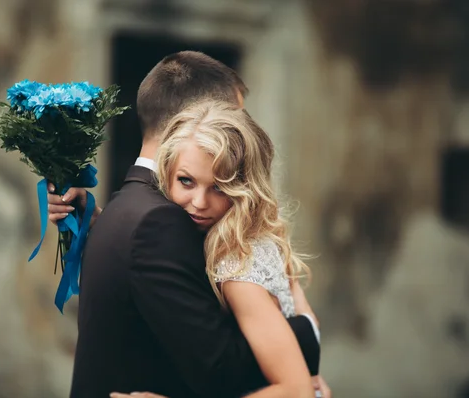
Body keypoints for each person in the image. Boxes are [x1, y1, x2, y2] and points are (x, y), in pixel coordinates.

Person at [47, 51, 328, 398]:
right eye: (233, 118)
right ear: (193, 121)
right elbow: (224, 367)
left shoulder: (127, 209)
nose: (240, 135)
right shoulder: (159, 222)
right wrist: (306, 334)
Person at [112, 100, 322, 398]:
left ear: (244, 191)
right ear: (167, 173)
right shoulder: (224, 237)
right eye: (186, 181)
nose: (199, 202)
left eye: (219, 187)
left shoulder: (236, 268)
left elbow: (295, 390)